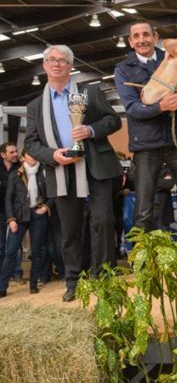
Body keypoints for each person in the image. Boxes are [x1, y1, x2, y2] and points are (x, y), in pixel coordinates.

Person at [24, 44, 122, 302]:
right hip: (61, 171)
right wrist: (52, 156)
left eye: (63, 60)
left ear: (71, 66)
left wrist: (90, 130)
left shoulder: (90, 92)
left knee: (102, 222)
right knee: (69, 231)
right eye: (52, 60)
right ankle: (73, 281)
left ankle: (104, 277)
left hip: (96, 167)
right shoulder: (35, 106)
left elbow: (113, 120)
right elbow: (31, 143)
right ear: (45, 66)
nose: (57, 64)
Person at [114, 21, 177, 252]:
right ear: (130, 42)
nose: (141, 40)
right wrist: (161, 107)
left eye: (146, 34)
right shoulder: (123, 69)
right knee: (144, 209)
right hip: (146, 145)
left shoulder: (174, 58)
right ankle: (142, 260)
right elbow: (132, 108)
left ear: (155, 36)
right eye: (136, 36)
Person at [0, 149, 52, 297]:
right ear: (23, 158)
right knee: (10, 251)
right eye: (30, 154)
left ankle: (33, 284)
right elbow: (8, 199)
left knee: (37, 252)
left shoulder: (44, 172)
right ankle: (2, 286)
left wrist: (46, 206)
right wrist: (11, 219)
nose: (34, 156)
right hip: (19, 217)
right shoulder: (15, 174)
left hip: (38, 215)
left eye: (35, 154)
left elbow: (53, 194)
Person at [0, 142, 23, 284]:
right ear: (3, 155)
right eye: (11, 152)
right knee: (1, 244)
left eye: (16, 151)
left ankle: (17, 272)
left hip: (16, 210)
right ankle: (3, 274)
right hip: (0, 210)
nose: (15, 154)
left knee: (15, 243)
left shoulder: (20, 168)